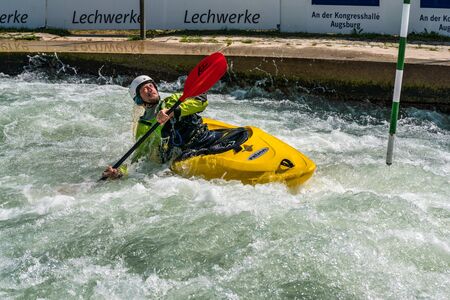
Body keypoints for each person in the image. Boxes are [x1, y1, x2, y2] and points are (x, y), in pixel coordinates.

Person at [102, 75, 223, 179]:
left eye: (151, 85)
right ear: (139, 99)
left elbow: (201, 101)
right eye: (144, 89)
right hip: (185, 155)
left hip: (205, 139)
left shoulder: (173, 100)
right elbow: (139, 157)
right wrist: (119, 172)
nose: (150, 88)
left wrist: (174, 111)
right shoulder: (145, 125)